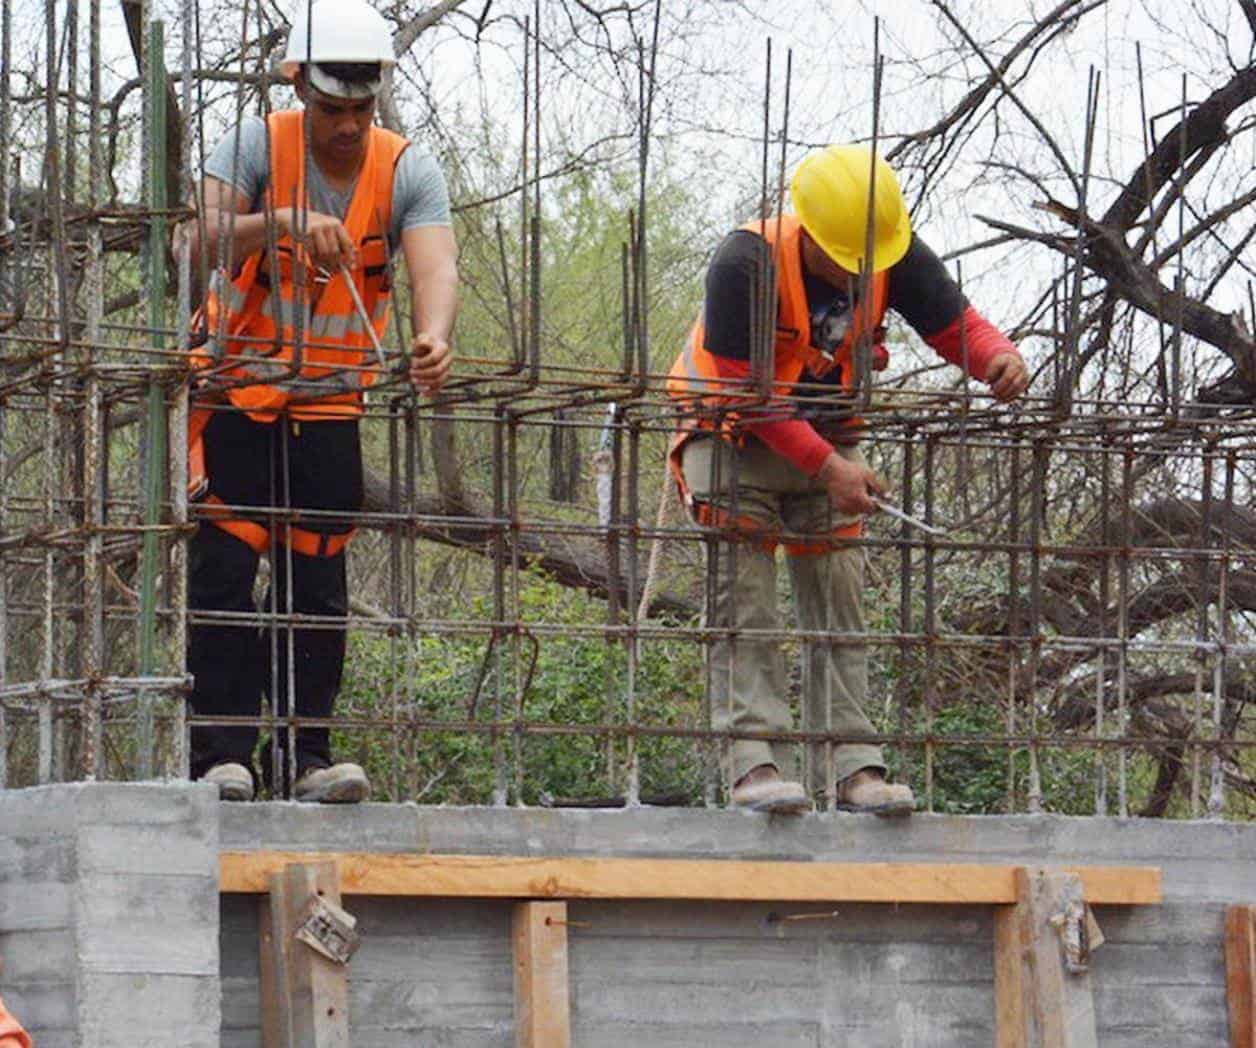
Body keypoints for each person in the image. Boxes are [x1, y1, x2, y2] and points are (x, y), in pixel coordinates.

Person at [667, 145, 1029, 815]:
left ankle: (855, 770)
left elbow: (957, 325)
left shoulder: (890, 253)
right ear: (808, 232)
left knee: (840, 600)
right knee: (747, 606)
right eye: (845, 258)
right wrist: (831, 468)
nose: (861, 273)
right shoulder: (744, 262)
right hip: (729, 434)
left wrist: (997, 357)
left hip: (827, 440)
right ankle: (754, 768)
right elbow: (751, 395)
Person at [177, 0, 458, 803]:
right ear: (299, 85)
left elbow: (436, 265)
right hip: (235, 390)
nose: (347, 126)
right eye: (333, 109)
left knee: (316, 583)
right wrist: (283, 223)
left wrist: (435, 335)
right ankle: (220, 757)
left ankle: (307, 757)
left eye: (361, 109)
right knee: (226, 573)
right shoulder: (257, 144)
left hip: (331, 404)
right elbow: (195, 239)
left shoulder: (407, 168)